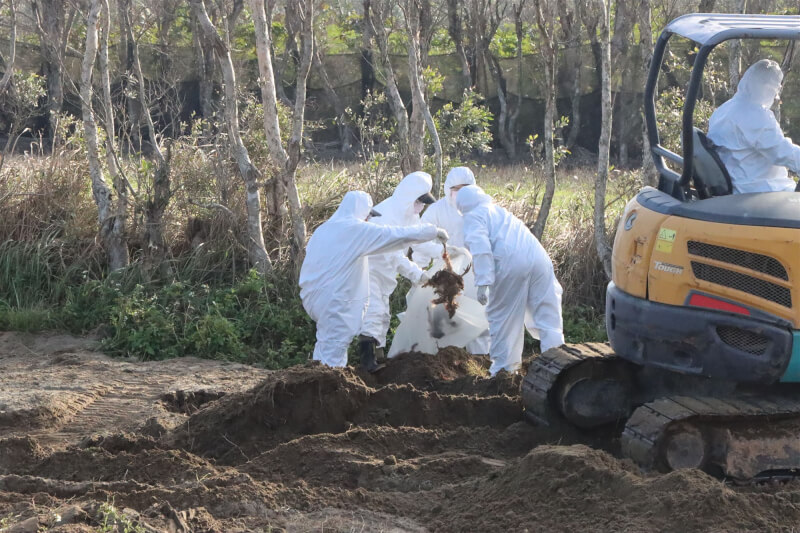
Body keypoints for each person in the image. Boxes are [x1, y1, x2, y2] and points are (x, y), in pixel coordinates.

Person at [299, 191, 447, 370]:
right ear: (361, 211)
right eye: (368, 215)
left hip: (314, 297)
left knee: (326, 344)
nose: (369, 219)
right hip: (337, 300)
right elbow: (396, 235)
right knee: (334, 350)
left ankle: (314, 378)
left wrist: (419, 274)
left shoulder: (324, 229)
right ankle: (325, 389)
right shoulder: (356, 230)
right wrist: (433, 231)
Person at [457, 185, 564, 375]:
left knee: (503, 318)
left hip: (510, 264)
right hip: (539, 258)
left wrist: (483, 281)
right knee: (548, 317)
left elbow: (481, 248)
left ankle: (503, 373)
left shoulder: (473, 216)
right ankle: (557, 366)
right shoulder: (499, 212)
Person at [359, 171, 439, 366]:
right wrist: (418, 274)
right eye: (418, 202)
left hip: (384, 274)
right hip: (369, 272)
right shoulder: (386, 215)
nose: (420, 207)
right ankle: (367, 363)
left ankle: (378, 359)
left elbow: (419, 240)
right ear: (408, 197)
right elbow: (393, 255)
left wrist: (444, 250)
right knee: (373, 313)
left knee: (383, 316)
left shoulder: (409, 216)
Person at [411, 166, 490, 354]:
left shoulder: (481, 210)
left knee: (479, 319)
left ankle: (480, 359)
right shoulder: (437, 210)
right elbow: (421, 239)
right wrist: (419, 269)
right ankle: (448, 360)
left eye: (465, 188)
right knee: (445, 317)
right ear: (448, 190)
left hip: (475, 271)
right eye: (456, 189)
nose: (460, 193)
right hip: (446, 273)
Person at [707, 59, 800, 193]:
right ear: (765, 87)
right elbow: (783, 153)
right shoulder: (756, 117)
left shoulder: (725, 109)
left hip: (739, 183)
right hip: (757, 190)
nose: (776, 94)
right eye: (775, 88)